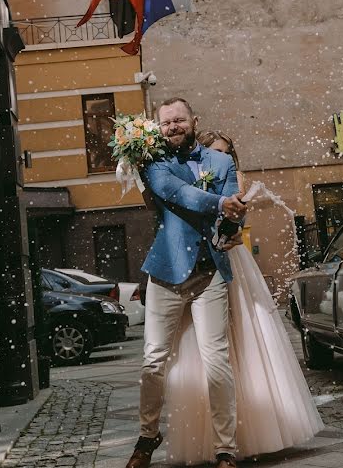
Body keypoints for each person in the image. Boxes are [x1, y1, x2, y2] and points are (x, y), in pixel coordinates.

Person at [162, 130, 324, 465]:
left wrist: (229, 227)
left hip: (232, 262)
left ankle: (254, 425)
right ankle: (217, 434)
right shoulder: (186, 175)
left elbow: (237, 220)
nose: (220, 158)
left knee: (246, 336)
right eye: (214, 151)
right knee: (207, 347)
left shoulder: (233, 178)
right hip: (202, 261)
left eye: (226, 152)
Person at [127, 98, 247, 468]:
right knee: (152, 362)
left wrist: (232, 226)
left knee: (217, 362)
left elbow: (233, 215)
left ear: (194, 121)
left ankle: (225, 448)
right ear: (158, 129)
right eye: (165, 123)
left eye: (179, 120)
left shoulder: (222, 162)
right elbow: (176, 194)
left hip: (210, 271)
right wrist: (221, 204)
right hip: (166, 273)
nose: (173, 127)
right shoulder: (153, 163)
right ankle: (148, 437)